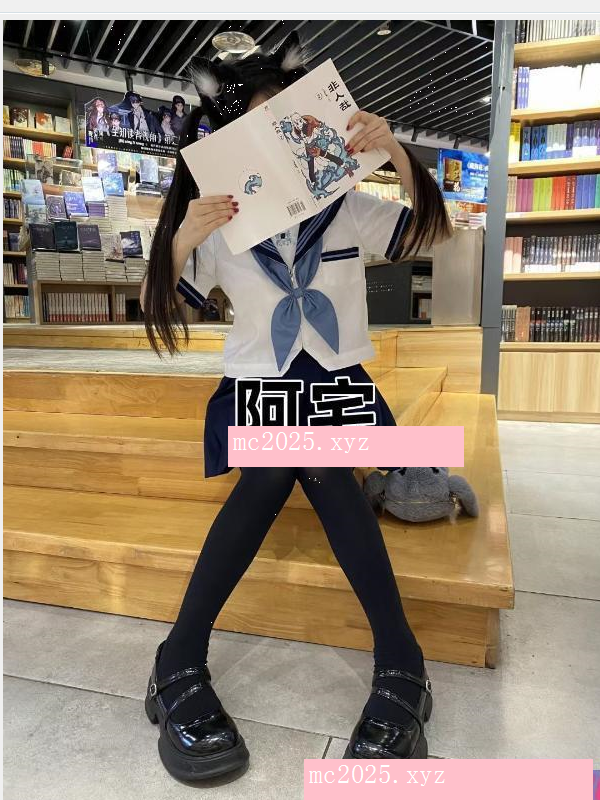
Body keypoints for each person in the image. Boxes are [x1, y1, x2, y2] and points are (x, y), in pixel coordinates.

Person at [141, 31, 451, 782]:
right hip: (257, 390)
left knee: (301, 460)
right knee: (302, 460)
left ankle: (178, 658)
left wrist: (396, 152)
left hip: (340, 389)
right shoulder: (218, 226)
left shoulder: (345, 208)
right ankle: (402, 661)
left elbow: (432, 231)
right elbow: (161, 305)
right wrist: (181, 239)